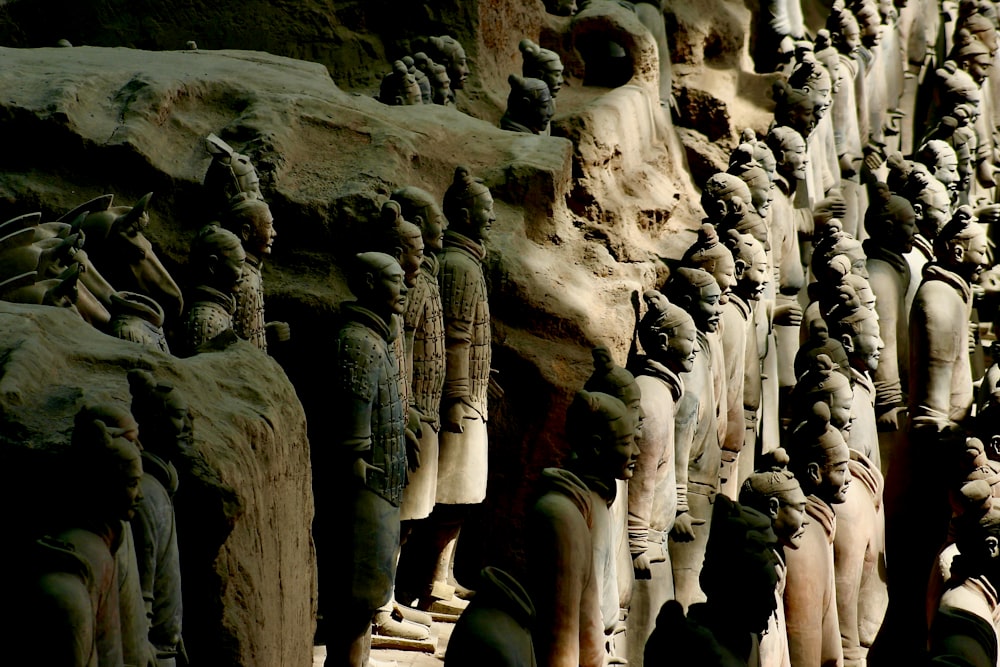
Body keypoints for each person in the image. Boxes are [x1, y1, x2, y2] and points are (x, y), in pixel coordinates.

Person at [322, 252, 408, 667]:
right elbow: (355, 404)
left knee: (368, 592)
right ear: (370, 284)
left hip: (382, 481)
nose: (405, 286)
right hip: (365, 483)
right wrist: (356, 453)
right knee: (355, 594)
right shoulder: (358, 340)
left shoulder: (377, 335)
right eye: (395, 280)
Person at [525, 390, 640, 667]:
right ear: (598, 447)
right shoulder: (568, 514)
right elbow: (570, 623)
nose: (636, 451)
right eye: (627, 443)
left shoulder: (599, 497)